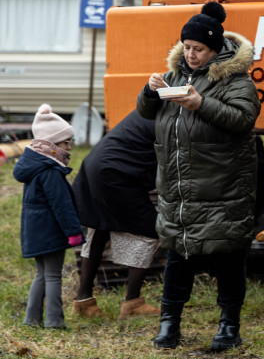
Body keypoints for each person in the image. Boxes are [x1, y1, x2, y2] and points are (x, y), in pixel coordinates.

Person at [137, 1, 261, 352]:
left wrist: (200, 104)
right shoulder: (175, 76)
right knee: (178, 255)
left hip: (223, 186)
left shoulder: (235, 80)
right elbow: (146, 112)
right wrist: (149, 90)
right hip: (179, 188)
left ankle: (228, 326)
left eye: (199, 49)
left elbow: (242, 119)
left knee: (228, 257)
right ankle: (169, 323)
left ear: (215, 48)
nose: (191, 55)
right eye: (187, 48)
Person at [72, 111, 161, 319]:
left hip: (96, 164)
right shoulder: (173, 114)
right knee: (149, 228)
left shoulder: (152, 106)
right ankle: (132, 304)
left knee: (100, 227)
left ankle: (83, 301)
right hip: (116, 172)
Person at [14, 104, 82, 328]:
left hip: (35, 231)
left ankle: (32, 320)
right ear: (51, 145)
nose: (69, 146)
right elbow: (62, 206)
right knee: (53, 276)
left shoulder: (34, 167)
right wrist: (73, 232)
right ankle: (55, 321)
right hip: (50, 231)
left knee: (42, 275)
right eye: (65, 142)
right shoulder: (51, 171)